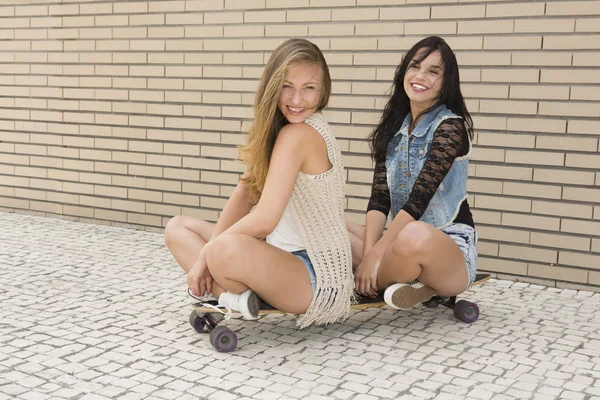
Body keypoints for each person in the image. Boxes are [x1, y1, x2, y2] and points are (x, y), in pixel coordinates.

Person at [164, 38, 354, 328]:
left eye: (309, 88)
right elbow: (246, 191)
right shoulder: (282, 130)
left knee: (222, 250)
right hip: (279, 258)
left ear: (323, 90)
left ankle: (228, 295)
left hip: (314, 274)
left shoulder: (300, 134)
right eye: (287, 86)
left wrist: (206, 254)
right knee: (178, 228)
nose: (297, 99)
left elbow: (264, 221)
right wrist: (213, 246)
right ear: (272, 86)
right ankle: (235, 298)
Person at [346, 36, 478, 310]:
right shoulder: (394, 127)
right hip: (399, 244)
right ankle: (401, 282)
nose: (421, 76)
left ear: (446, 82)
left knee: (415, 233)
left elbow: (419, 200)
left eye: (433, 71)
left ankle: (372, 281)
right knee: (331, 227)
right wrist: (371, 253)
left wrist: (374, 257)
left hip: (448, 250)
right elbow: (379, 198)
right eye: (415, 66)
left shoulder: (450, 127)